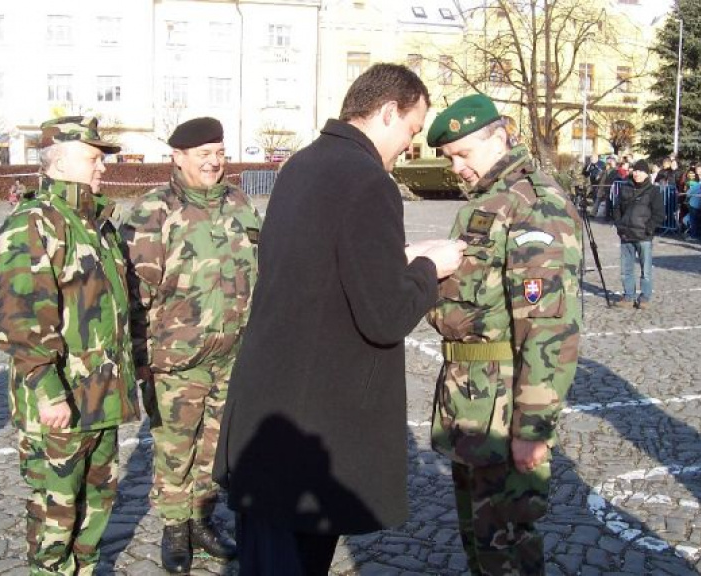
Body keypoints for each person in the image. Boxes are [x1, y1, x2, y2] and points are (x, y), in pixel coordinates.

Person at [213, 63, 465, 576]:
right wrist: (428, 267)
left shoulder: (302, 165)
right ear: (388, 111)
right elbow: (385, 317)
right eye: (412, 130)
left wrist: (397, 258)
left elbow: (319, 264)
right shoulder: (369, 180)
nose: (409, 146)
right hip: (313, 425)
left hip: (268, 412)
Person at [424, 93, 582, 575]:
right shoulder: (489, 203)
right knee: (481, 541)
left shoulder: (533, 207)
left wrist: (532, 430)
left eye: (462, 153)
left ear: (498, 137)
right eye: (449, 158)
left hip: (504, 408)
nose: (456, 167)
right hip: (471, 402)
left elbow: (549, 329)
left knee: (508, 546)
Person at [0, 116, 139, 574]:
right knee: (56, 514)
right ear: (59, 163)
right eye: (93, 158)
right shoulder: (32, 224)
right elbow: (20, 316)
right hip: (60, 404)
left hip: (102, 397)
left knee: (97, 506)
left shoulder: (95, 223)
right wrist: (46, 387)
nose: (102, 167)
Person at [121, 117, 256, 573]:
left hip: (232, 354)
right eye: (204, 154)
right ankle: (175, 528)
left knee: (215, 447)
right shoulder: (154, 210)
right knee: (175, 448)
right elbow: (134, 294)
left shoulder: (239, 203)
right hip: (175, 360)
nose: (214, 161)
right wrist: (140, 358)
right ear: (178, 157)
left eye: (219, 152)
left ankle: (202, 520)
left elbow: (260, 270)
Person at [613, 159, 664, 309]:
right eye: (635, 170)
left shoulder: (653, 191)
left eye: (640, 171)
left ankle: (644, 298)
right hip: (626, 235)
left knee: (646, 271)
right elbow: (617, 209)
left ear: (646, 173)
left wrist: (649, 228)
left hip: (643, 237)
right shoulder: (625, 188)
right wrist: (619, 226)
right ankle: (628, 296)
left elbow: (659, 214)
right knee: (626, 270)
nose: (637, 173)